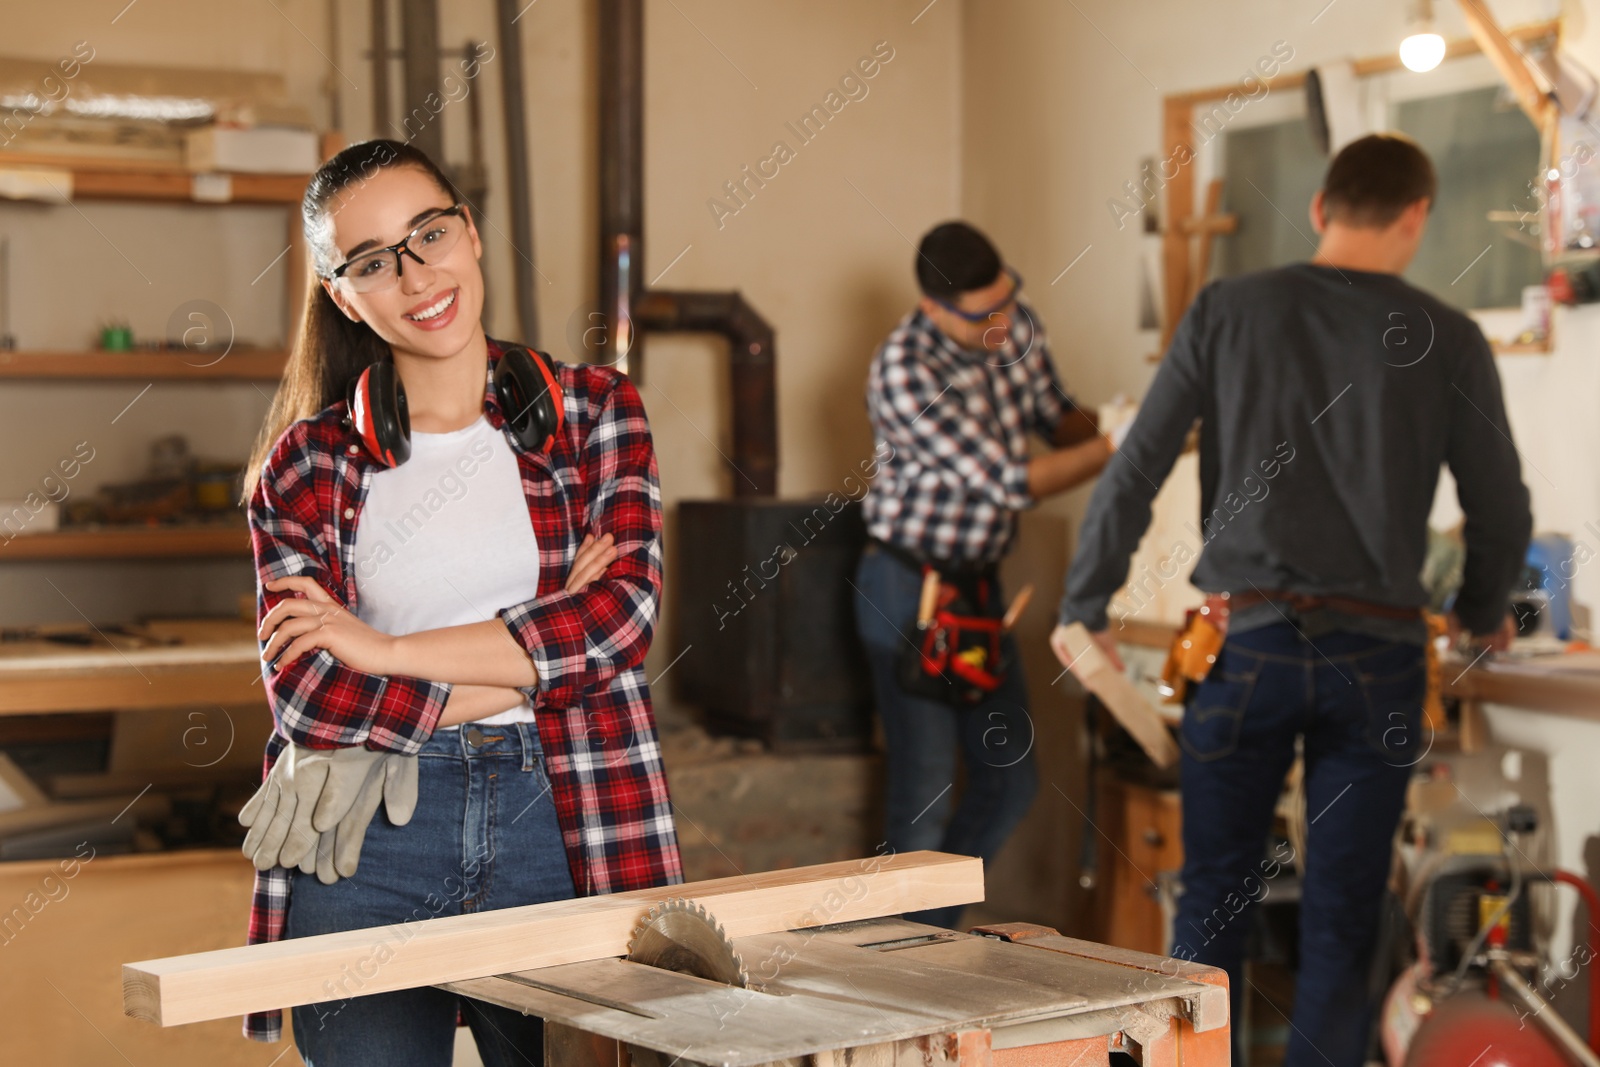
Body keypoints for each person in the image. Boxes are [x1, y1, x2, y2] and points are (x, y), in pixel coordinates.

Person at [1051, 133, 1531, 1067]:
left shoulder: (1229, 309)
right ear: (1416, 216)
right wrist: (1479, 613)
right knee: (1344, 917)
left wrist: (1087, 598)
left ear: (1318, 208)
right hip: (1381, 659)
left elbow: (1137, 462)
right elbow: (1500, 505)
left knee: (1213, 898)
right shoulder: (1450, 335)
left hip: (1248, 644)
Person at [236, 138, 683, 1065]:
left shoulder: (597, 413)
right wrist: (536, 660)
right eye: (371, 261)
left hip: (564, 816)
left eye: (429, 235)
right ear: (340, 292)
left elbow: (620, 624)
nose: (415, 276)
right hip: (367, 841)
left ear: (470, 233)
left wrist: (383, 648)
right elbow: (313, 697)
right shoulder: (304, 465)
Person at [854, 221, 1116, 929]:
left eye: (1007, 300)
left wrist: (1113, 427)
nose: (1001, 321)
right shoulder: (904, 369)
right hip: (909, 593)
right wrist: (1120, 449)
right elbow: (1011, 481)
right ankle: (898, 980)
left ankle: (929, 938)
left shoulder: (1013, 324)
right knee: (925, 796)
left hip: (979, 591)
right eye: (982, 313)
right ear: (934, 305)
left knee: (1011, 779)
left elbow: (1055, 415)